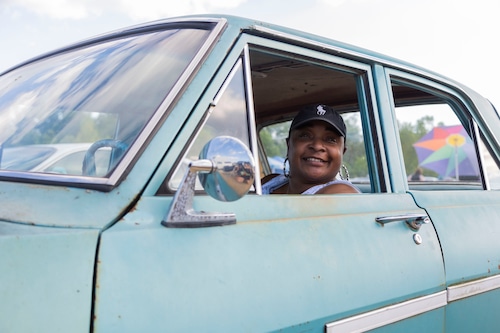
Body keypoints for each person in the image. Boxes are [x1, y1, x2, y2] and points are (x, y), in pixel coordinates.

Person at [262, 103, 360, 194]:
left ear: (342, 152)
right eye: (305, 136)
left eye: (330, 139)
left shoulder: (342, 193)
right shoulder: (270, 182)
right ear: (289, 145)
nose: (317, 146)